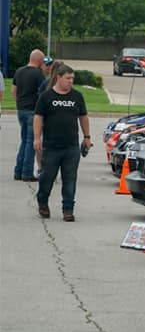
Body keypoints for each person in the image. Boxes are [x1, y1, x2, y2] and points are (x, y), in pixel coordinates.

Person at [33, 64, 90, 221]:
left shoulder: (77, 96)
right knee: (47, 178)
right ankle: (43, 202)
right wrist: (37, 138)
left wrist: (87, 137)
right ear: (58, 77)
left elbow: (83, 117)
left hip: (71, 147)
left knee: (70, 179)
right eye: (68, 78)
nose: (71, 81)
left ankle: (68, 209)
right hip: (51, 147)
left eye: (72, 78)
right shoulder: (46, 97)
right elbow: (38, 117)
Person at [12, 49, 46, 181]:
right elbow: (43, 93)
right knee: (32, 143)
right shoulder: (38, 74)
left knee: (24, 140)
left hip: (21, 110)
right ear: (39, 61)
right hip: (33, 111)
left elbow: (14, 90)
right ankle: (26, 173)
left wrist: (20, 103)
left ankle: (18, 171)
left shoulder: (19, 71)